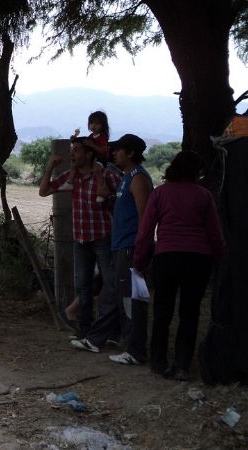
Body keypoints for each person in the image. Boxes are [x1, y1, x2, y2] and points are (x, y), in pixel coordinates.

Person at [134, 151, 224, 381]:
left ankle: (158, 361)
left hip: (167, 257)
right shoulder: (204, 195)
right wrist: (220, 260)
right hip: (198, 259)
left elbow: (145, 231)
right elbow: (214, 234)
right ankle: (182, 364)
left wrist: (140, 260)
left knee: (162, 311)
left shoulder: (160, 193)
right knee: (190, 313)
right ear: (196, 172)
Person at [67, 134, 153, 360]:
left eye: (118, 150)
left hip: (131, 247)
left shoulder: (138, 179)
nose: (113, 153)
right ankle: (98, 340)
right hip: (120, 245)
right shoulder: (126, 177)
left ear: (131, 153)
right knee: (111, 295)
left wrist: (141, 249)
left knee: (130, 299)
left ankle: (134, 350)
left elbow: (145, 216)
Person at [39, 137, 121, 340]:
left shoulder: (107, 175)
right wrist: (50, 167)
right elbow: (44, 191)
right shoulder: (71, 177)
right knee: (83, 286)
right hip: (81, 238)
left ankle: (110, 329)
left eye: (76, 151)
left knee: (109, 283)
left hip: (103, 236)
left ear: (89, 154)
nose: (72, 155)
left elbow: (122, 198)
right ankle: (86, 329)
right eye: (72, 150)